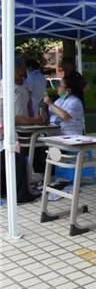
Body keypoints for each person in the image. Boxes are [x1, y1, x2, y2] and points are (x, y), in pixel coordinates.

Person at [0, 57, 44, 203]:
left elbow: (27, 106)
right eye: (17, 69)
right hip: (8, 129)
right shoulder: (4, 86)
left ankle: (24, 187)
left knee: (31, 153)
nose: (21, 72)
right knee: (15, 160)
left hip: (24, 126)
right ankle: (18, 192)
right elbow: (11, 115)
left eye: (22, 69)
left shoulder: (24, 83)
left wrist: (33, 119)